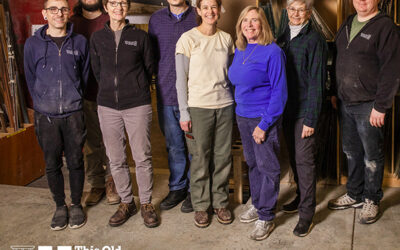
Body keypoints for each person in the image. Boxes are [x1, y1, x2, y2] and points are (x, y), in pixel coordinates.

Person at [328, 0, 400, 224]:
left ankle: (371, 198)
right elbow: (337, 59)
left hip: (370, 104)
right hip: (345, 101)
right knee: (351, 151)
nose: (361, 0)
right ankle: (355, 193)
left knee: (372, 155)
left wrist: (381, 106)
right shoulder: (348, 22)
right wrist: (333, 91)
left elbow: (392, 68)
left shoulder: (385, 26)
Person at [90, 0, 159, 228]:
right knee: (116, 159)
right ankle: (127, 202)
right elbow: (97, 71)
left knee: (142, 157)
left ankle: (147, 203)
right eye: (113, 2)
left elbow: (150, 67)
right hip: (108, 106)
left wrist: (136, 88)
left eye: (122, 3)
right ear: (106, 7)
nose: (118, 7)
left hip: (137, 105)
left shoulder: (140, 37)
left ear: (127, 7)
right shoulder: (97, 39)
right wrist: (111, 90)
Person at [24, 0, 90, 230]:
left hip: (73, 114)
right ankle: (60, 206)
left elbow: (85, 75)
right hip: (46, 116)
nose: (59, 13)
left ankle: (76, 205)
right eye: (53, 9)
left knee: (75, 161)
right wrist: (44, 103)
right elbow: (30, 78)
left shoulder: (80, 42)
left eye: (63, 9)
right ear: (45, 14)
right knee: (52, 164)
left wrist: (73, 98)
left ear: (68, 12)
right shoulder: (32, 44)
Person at [228, 6, 287, 241]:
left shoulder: (272, 52)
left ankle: (266, 216)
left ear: (263, 24)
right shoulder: (241, 49)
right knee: (252, 164)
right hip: (242, 116)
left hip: (263, 118)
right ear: (240, 25)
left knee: (268, 167)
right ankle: (258, 202)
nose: (250, 25)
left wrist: (264, 124)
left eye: (255, 21)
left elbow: (280, 93)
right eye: (245, 21)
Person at [176, 0, 234, 228]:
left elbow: (231, 74)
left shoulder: (226, 39)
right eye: (205, 7)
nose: (210, 11)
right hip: (198, 107)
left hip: (225, 105)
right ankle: (201, 205)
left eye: (214, 6)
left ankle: (220, 202)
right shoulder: (188, 39)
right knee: (200, 158)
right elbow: (181, 81)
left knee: (222, 157)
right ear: (198, 11)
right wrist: (184, 113)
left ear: (219, 10)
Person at [276, 0, 328, 237]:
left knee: (305, 162)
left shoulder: (315, 40)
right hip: (286, 110)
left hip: (305, 112)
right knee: (295, 160)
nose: (296, 14)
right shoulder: (283, 34)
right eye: (292, 9)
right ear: (287, 10)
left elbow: (318, 84)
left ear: (309, 12)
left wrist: (311, 119)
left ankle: (307, 214)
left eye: (301, 9)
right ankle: (299, 198)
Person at [70, 0, 120, 207]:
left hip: (111, 94)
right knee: (91, 144)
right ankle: (96, 184)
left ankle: (113, 182)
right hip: (85, 93)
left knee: (113, 142)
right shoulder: (71, 22)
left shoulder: (110, 19)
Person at [148, 0, 197, 213]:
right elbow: (151, 56)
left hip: (195, 95)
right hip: (166, 92)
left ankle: (196, 190)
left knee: (196, 149)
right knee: (174, 146)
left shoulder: (199, 16)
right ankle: (178, 188)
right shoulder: (156, 20)